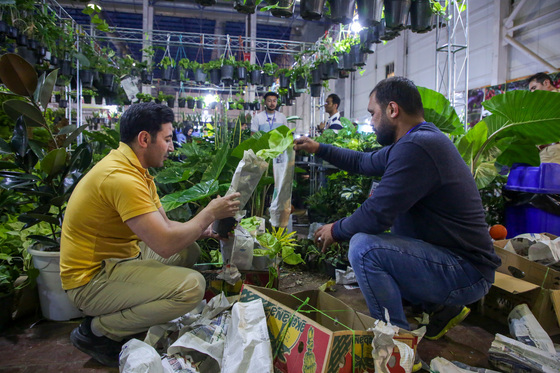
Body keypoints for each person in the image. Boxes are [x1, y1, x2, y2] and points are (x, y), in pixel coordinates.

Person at [294, 77, 501, 340]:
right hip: (451, 261)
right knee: (378, 248)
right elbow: (362, 161)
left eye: (373, 113)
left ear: (392, 110)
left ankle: (396, 345)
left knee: (365, 249)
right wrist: (319, 148)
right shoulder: (414, 142)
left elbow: (376, 215)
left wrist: (336, 229)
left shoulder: (418, 147)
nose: (370, 120)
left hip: (465, 271)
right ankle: (439, 307)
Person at [60, 102, 240, 367]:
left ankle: (120, 315)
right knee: (191, 287)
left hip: (119, 260)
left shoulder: (137, 171)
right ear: (144, 138)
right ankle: (100, 330)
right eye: (167, 139)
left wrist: (206, 230)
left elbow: (166, 228)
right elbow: (165, 244)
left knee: (189, 249)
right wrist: (210, 212)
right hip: (90, 281)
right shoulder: (121, 177)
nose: (172, 146)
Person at [527, 72, 560, 164]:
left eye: (534, 88)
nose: (532, 92)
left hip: (556, 149)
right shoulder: (538, 107)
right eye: (530, 90)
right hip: (543, 152)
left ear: (546, 83)